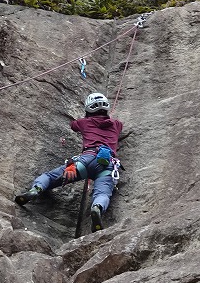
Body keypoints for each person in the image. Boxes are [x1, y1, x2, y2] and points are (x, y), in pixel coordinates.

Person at [15, 92, 123, 232]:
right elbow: (117, 126)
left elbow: (73, 125)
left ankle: (36, 189)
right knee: (102, 193)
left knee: (50, 176)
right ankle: (97, 207)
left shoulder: (84, 123)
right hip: (107, 164)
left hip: (85, 160)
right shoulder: (117, 125)